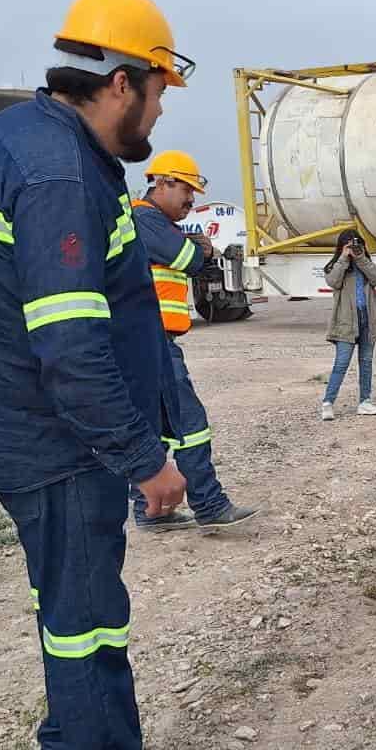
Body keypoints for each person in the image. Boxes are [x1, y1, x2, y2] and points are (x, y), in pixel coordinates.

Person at [0, 0, 202, 750]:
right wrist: (144, 458)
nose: (160, 107)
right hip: (55, 440)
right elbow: (69, 347)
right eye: (160, 89)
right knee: (87, 614)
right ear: (122, 82)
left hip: (42, 431)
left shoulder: (40, 144)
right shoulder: (59, 172)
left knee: (74, 607)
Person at [129, 151, 259, 530]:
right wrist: (198, 248)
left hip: (150, 340)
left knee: (153, 428)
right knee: (191, 424)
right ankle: (210, 506)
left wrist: (195, 248)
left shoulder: (152, 222)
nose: (192, 200)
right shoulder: (145, 218)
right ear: (163, 183)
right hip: (152, 342)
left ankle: (152, 512)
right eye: (187, 190)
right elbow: (189, 259)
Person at [320, 229, 376, 419]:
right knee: (342, 363)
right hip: (346, 322)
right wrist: (344, 257)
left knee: (366, 362)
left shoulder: (364, 264)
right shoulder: (335, 266)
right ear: (342, 246)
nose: (353, 248)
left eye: (356, 244)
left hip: (367, 320)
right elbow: (333, 282)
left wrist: (360, 258)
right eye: (350, 245)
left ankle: (365, 402)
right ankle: (328, 403)